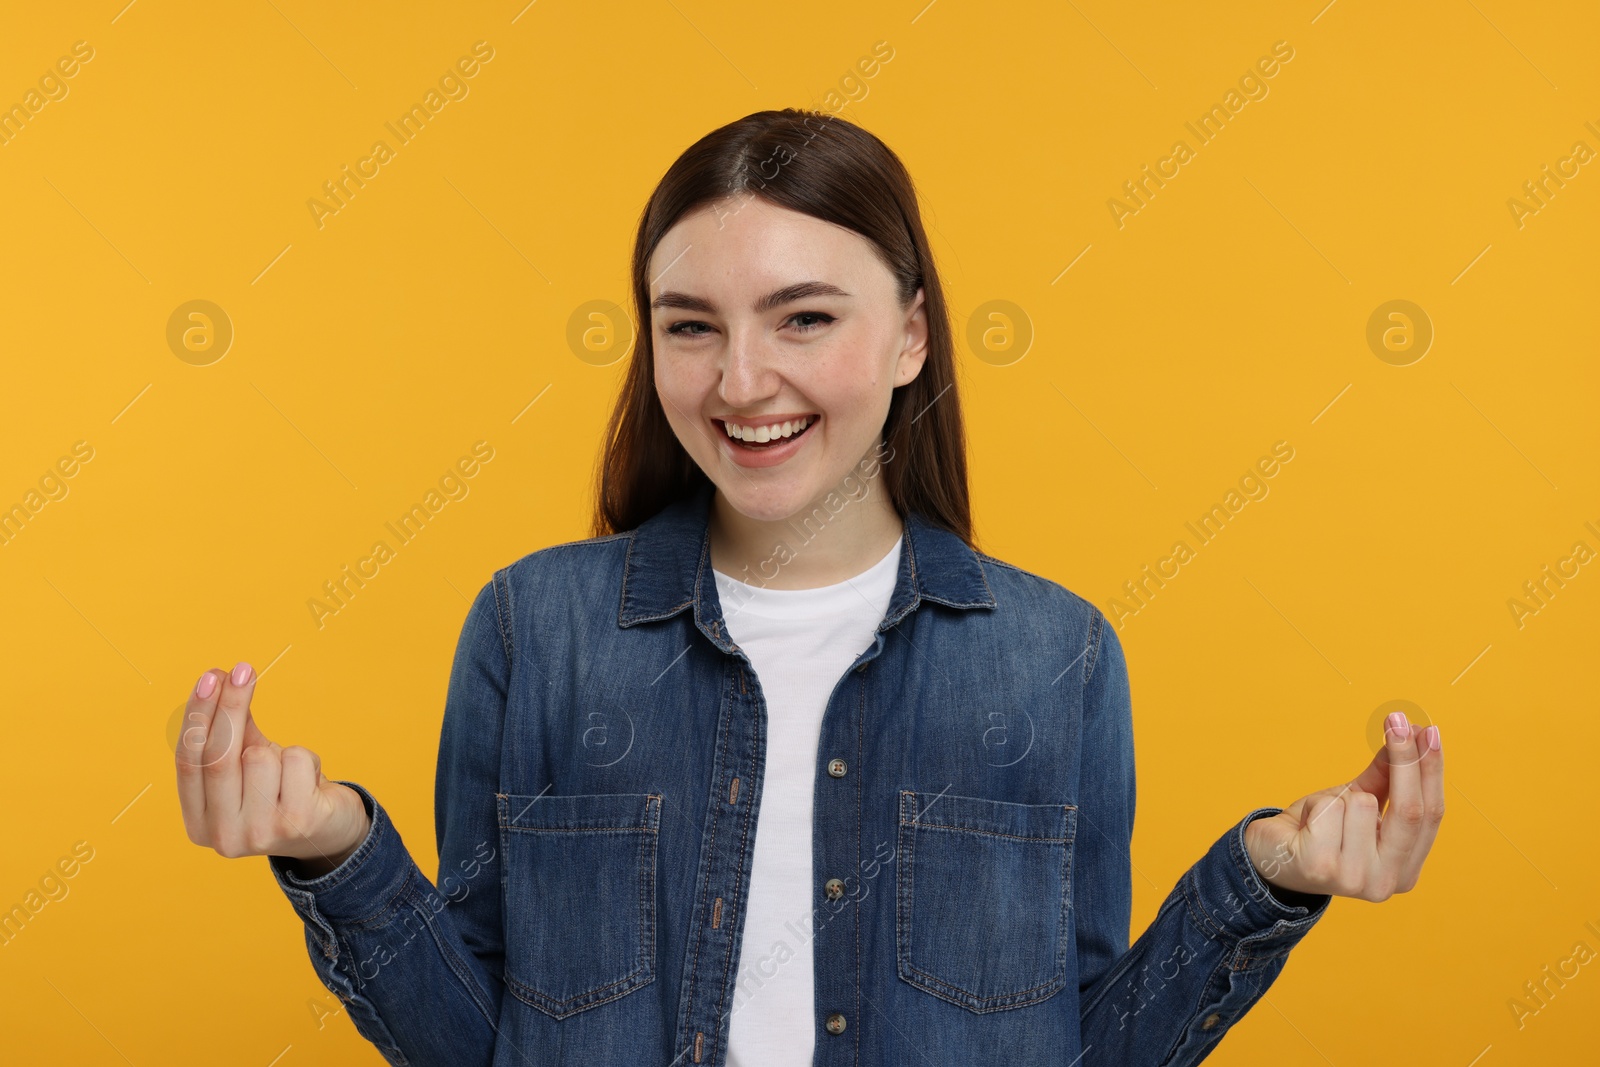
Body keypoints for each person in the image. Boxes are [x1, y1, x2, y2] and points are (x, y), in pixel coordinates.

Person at [174, 108, 1445, 1066]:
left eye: (802, 319)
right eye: (690, 325)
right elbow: (471, 1040)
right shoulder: (536, 626)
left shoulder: (1054, 654)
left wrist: (1269, 879)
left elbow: (1088, 1048)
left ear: (909, 336)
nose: (740, 382)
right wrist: (332, 848)